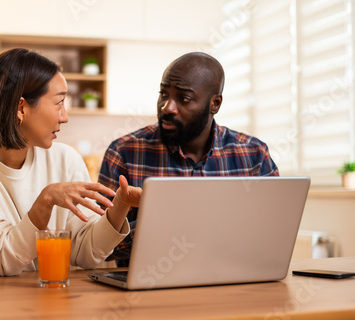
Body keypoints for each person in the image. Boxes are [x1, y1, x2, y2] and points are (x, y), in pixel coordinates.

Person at [0, 48, 141, 276]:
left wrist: (120, 206)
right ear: (21, 108)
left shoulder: (65, 158)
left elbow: (86, 252)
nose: (65, 117)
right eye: (59, 103)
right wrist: (44, 202)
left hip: (50, 303)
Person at [99, 52, 279, 267]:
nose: (167, 107)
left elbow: (274, 235)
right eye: (163, 94)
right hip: (149, 289)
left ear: (215, 104)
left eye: (184, 99)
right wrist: (168, 224)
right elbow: (98, 248)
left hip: (233, 281)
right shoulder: (124, 151)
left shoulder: (254, 155)